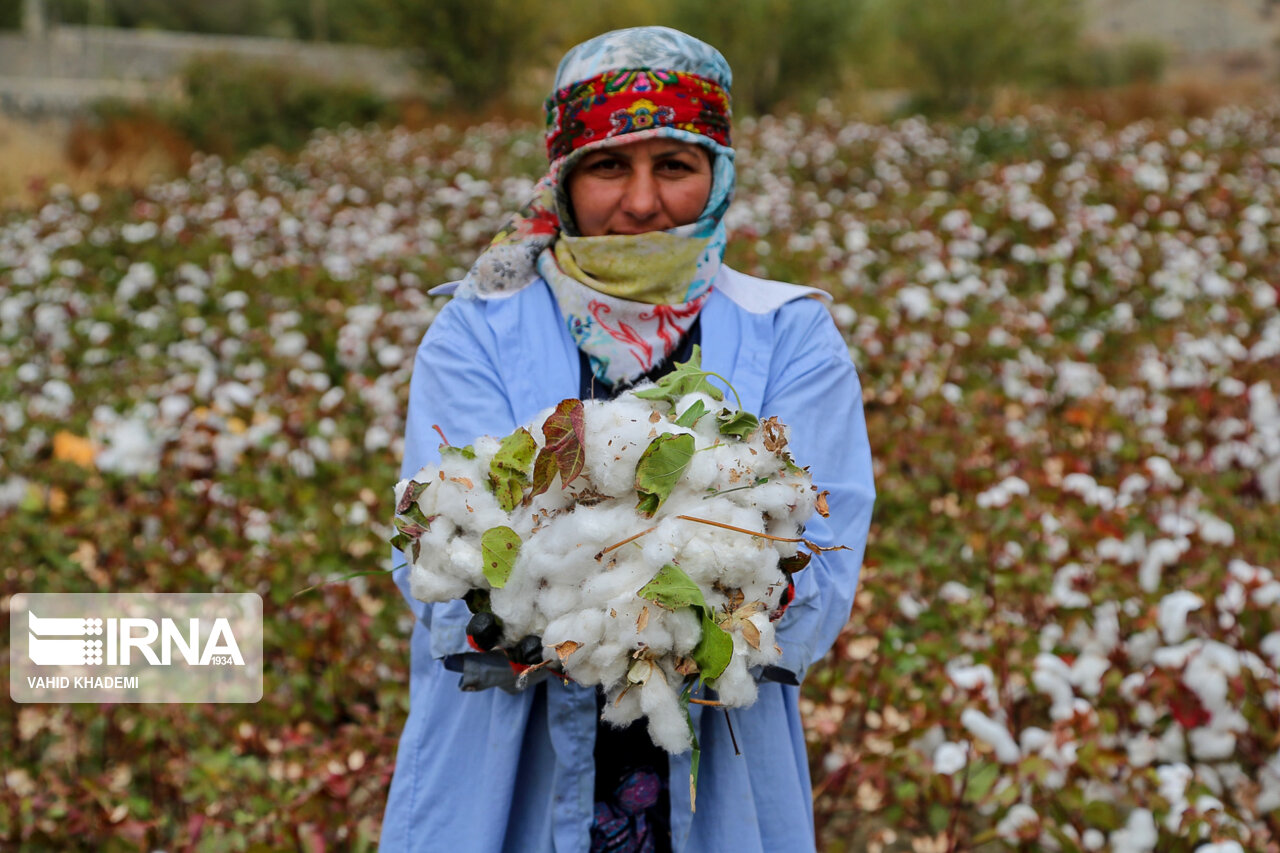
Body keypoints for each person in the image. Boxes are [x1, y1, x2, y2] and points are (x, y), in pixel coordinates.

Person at [380, 26, 875, 852]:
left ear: (717, 176)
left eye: (674, 166)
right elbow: (440, 555)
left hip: (715, 771)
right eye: (610, 166)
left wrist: (565, 554)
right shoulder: (475, 329)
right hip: (505, 781)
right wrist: (695, 552)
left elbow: (813, 572)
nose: (642, 202)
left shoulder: (790, 335)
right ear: (563, 180)